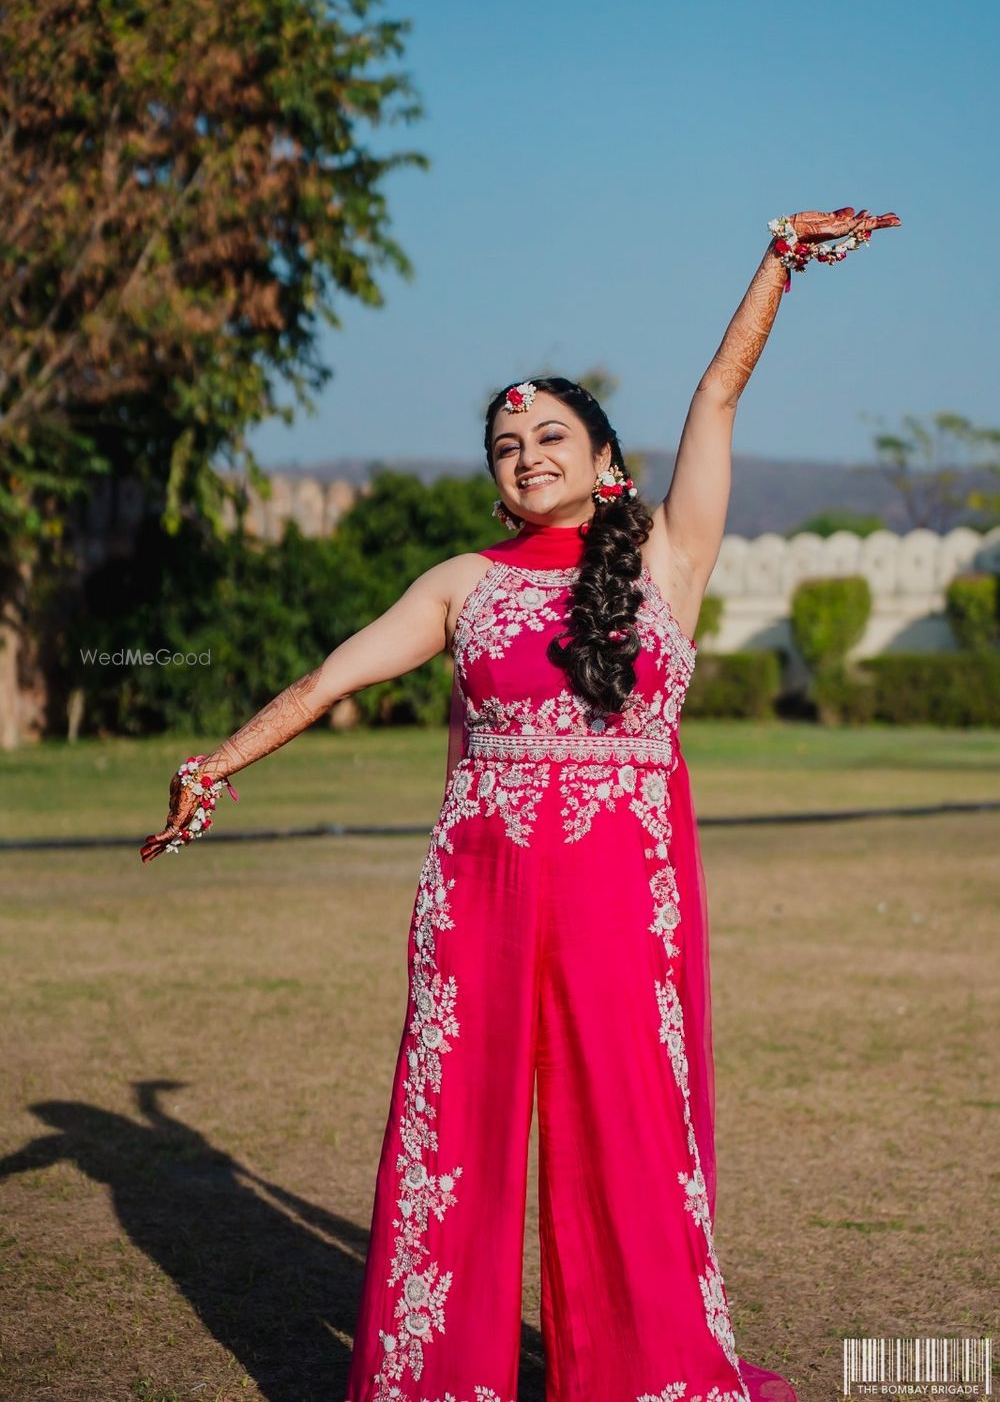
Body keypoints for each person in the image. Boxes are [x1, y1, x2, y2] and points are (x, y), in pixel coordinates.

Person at [141, 206, 901, 1402]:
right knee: (457, 1137)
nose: (527, 452)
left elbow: (716, 394)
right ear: (497, 481)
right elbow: (331, 675)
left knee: (626, 1134)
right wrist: (214, 764)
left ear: (607, 463)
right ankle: (437, 1376)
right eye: (507, 445)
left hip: (619, 900)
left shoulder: (668, 562)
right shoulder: (459, 584)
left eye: (552, 433)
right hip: (479, 891)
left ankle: (643, 1370)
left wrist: (775, 266)